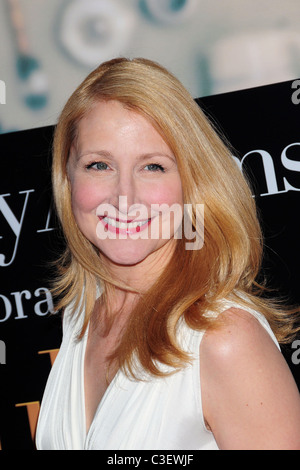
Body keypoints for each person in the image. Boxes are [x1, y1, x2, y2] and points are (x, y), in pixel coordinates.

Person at [36, 57, 300, 450]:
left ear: (192, 183)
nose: (124, 197)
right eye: (99, 165)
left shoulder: (224, 340)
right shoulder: (82, 315)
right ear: (67, 178)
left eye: (153, 167)